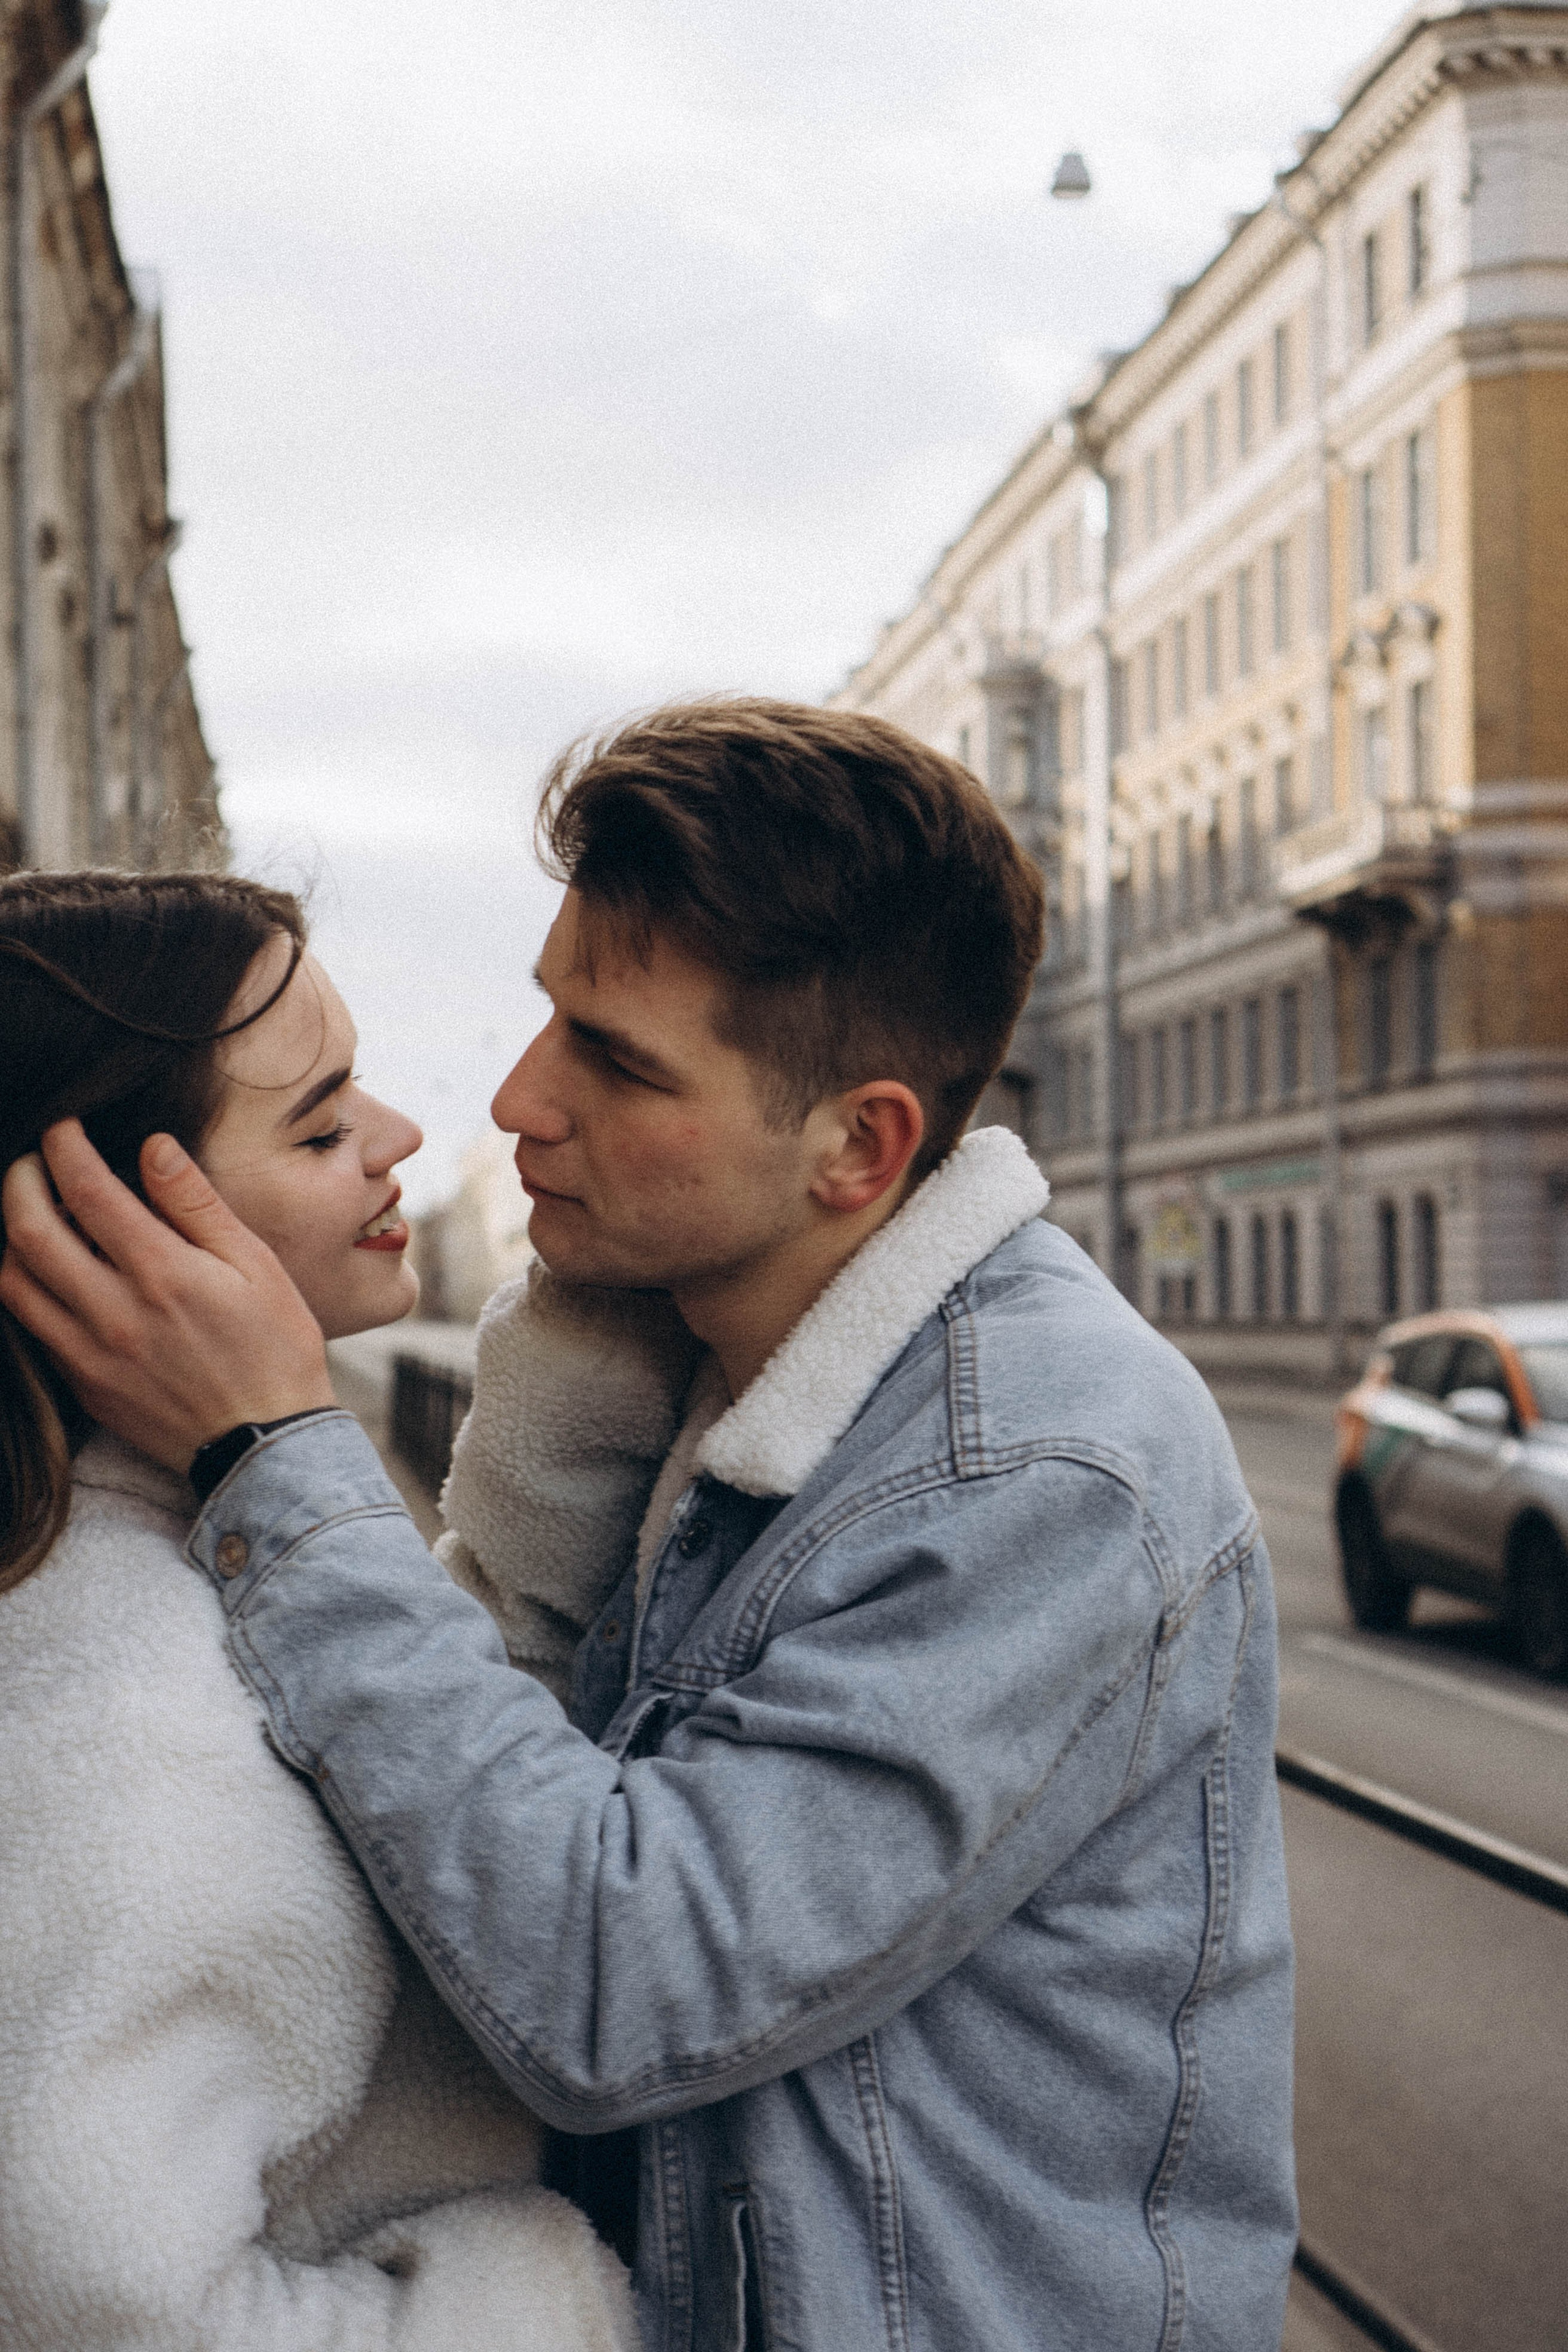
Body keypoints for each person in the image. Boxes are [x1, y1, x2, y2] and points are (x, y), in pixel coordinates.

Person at [2, 703, 1299, 2352]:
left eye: (617, 1062)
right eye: (554, 1013)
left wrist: (275, 1453)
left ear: (859, 1145)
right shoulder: (676, 1366)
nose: (519, 1098)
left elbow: (619, 1982)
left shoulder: (1037, 1468)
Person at [0, 870, 636, 2352]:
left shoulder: (140, 1582)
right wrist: (555, 2310)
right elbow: (107, 2307)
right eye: (320, 1119)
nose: (404, 1139)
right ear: (105, 1229)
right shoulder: (134, 1724)